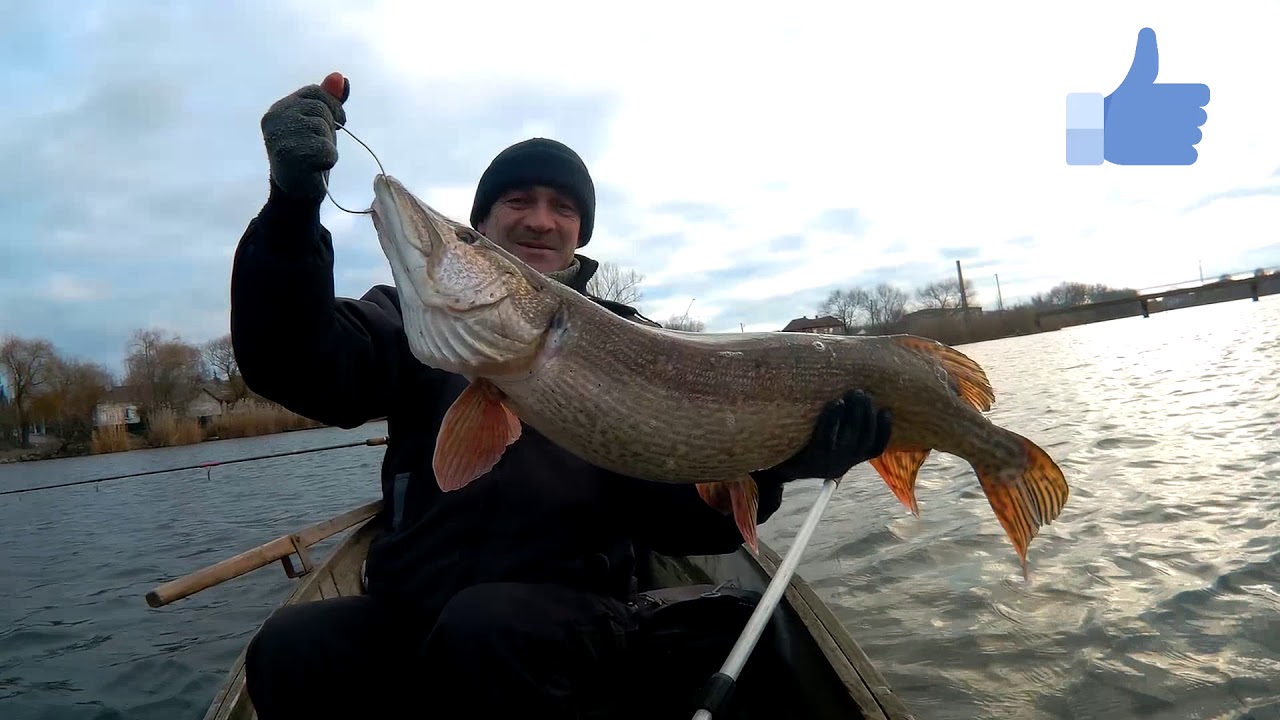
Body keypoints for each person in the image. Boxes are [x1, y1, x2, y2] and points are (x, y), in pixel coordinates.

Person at [230, 73, 893, 719]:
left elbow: (690, 524)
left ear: (580, 231)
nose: (541, 220)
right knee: (290, 649)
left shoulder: (635, 342)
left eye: (563, 206)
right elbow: (291, 361)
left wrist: (779, 459)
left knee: (487, 627)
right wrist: (291, 209)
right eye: (517, 201)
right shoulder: (413, 324)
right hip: (418, 613)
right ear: (483, 222)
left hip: (569, 626)